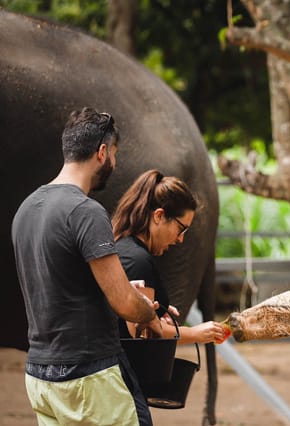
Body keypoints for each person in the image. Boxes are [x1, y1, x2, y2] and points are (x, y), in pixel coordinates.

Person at [11, 107, 163, 425]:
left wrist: (125, 285)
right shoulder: (86, 211)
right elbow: (124, 303)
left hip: (40, 375)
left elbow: (60, 281)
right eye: (115, 154)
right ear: (102, 152)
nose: (116, 164)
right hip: (89, 375)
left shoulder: (26, 209)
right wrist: (149, 313)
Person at [112, 169, 229, 345]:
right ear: (159, 216)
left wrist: (159, 312)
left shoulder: (124, 248)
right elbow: (142, 333)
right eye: (181, 229)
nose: (180, 239)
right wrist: (193, 333)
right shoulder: (138, 260)